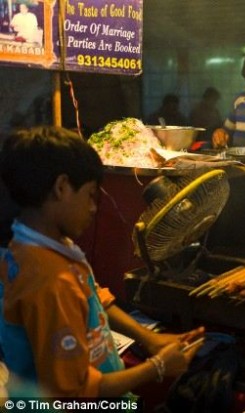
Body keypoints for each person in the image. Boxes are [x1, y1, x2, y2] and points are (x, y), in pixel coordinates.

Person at [0, 126, 204, 397]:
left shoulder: (38, 243)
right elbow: (74, 393)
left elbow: (92, 295)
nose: (94, 208)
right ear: (62, 187)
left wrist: (150, 339)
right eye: (90, 195)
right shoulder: (49, 280)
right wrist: (157, 367)